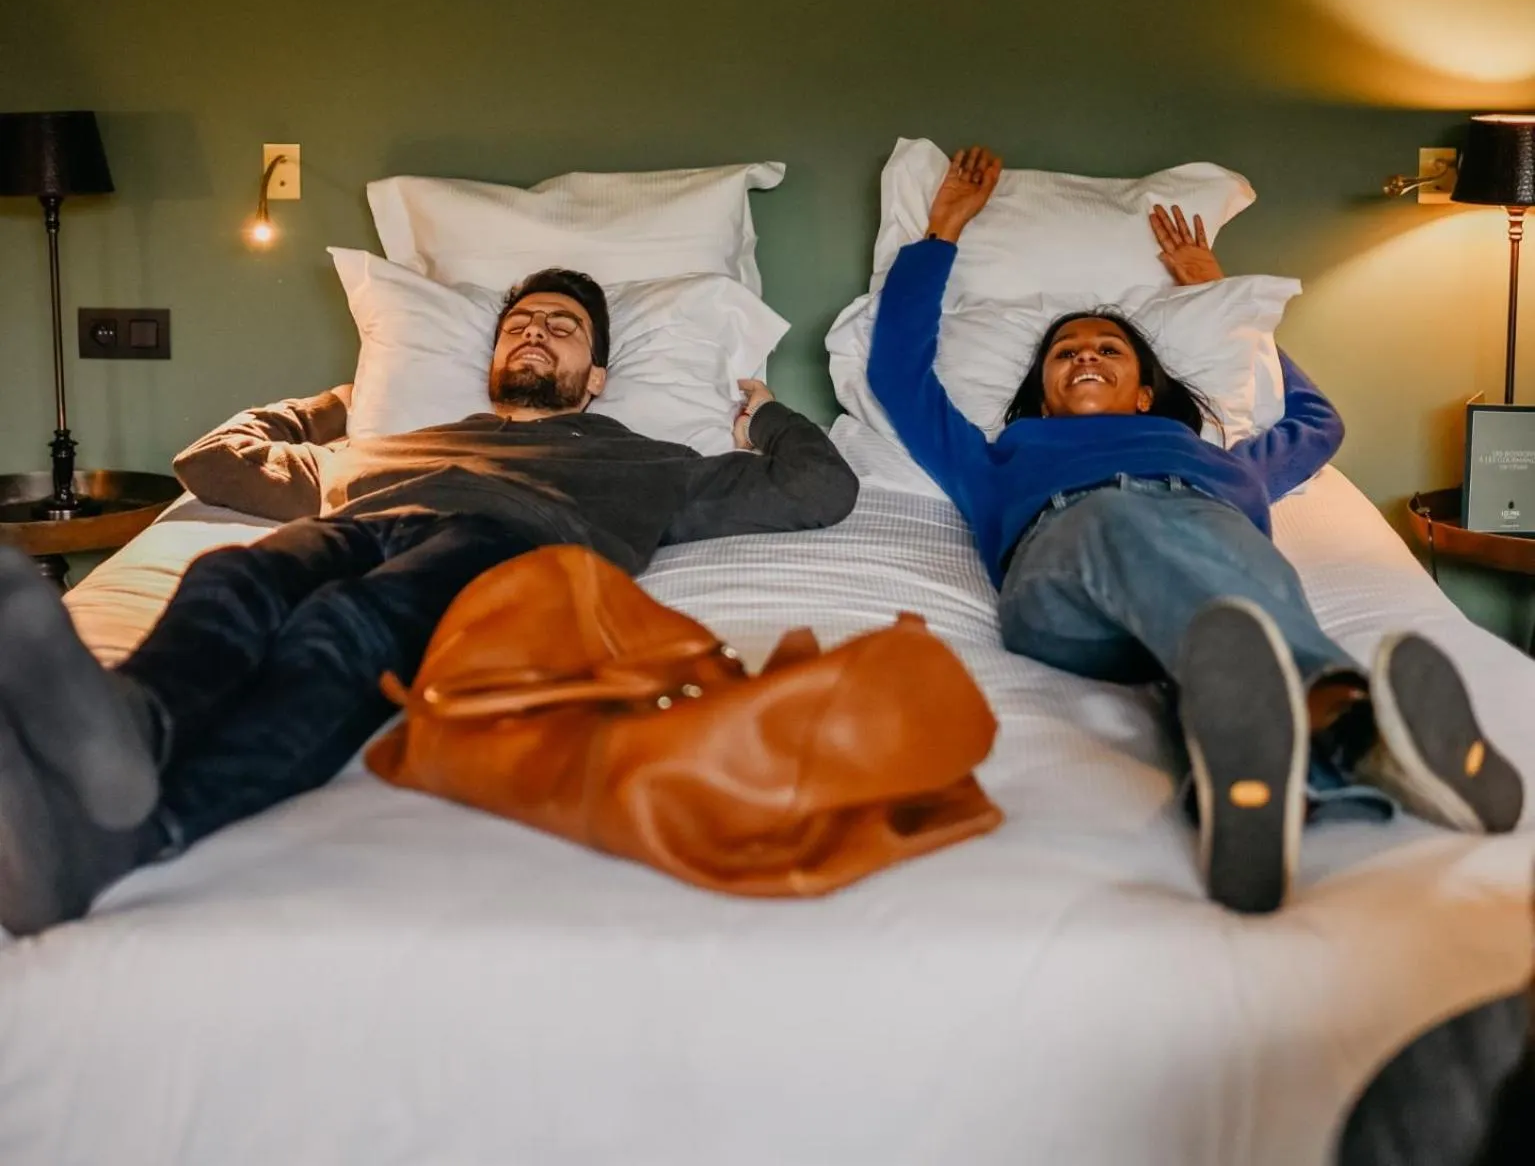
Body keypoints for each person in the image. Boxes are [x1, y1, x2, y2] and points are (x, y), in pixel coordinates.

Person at [0, 268, 859, 936]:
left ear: (593, 376)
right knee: (231, 578)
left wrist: (767, 416)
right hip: (377, 521)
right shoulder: (385, 445)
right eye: (520, 324)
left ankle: (145, 830)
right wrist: (327, 412)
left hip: (517, 548)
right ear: (491, 360)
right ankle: (133, 733)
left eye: (562, 329)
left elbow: (820, 490)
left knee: (341, 627)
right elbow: (212, 465)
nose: (535, 333)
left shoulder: (652, 462)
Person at [868, 146, 1523, 914]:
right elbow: (897, 376)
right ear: (1041, 398)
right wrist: (939, 235)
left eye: (1108, 350)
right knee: (1142, 533)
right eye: (1063, 352)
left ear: (1145, 394)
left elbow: (1317, 422)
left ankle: (1269, 760)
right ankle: (1347, 718)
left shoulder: (1222, 462)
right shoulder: (999, 457)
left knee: (1235, 587)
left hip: (1213, 554)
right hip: (1067, 581)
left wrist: (1230, 307)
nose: (1084, 355)